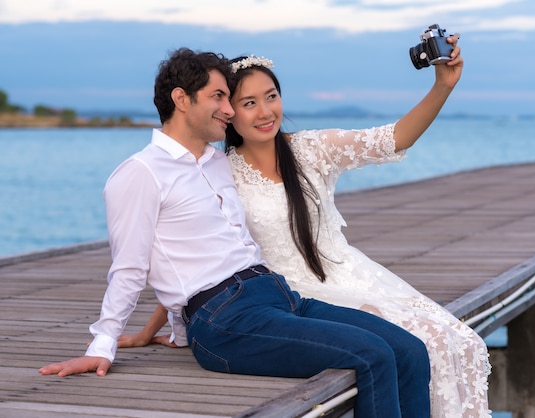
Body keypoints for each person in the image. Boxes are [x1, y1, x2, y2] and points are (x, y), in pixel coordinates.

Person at [38, 47, 433, 418]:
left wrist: (172, 331)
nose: (228, 110)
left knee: (410, 349)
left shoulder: (215, 163)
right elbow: (130, 266)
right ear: (181, 99)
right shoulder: (140, 174)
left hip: (277, 296)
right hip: (225, 320)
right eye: (219, 97)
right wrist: (102, 344)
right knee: (373, 354)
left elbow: (201, 249)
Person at [121, 34, 492, 417]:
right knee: (412, 341)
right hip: (283, 295)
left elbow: (393, 139)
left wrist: (442, 86)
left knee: (460, 340)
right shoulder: (220, 173)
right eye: (248, 103)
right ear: (228, 111)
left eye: (271, 96)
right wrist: (153, 329)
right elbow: (198, 260)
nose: (265, 112)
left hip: (348, 273)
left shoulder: (310, 149)